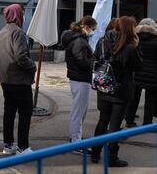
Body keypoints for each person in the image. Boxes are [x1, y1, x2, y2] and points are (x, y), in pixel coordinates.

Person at [91, 16, 143, 167]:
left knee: (102, 121)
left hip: (104, 87)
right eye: (134, 27)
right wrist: (137, 46)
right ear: (128, 28)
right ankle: (112, 158)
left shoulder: (103, 41)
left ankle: (95, 153)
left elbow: (93, 61)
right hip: (121, 91)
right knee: (114, 125)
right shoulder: (129, 47)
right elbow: (139, 66)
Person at [0, 4, 36, 155]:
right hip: (19, 81)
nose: (24, 16)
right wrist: (32, 66)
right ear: (17, 14)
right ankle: (23, 147)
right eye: (22, 13)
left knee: (9, 113)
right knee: (25, 113)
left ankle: (8, 144)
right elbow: (20, 56)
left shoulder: (2, 31)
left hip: (6, 79)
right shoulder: (18, 32)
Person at [61, 16, 97, 151]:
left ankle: (76, 138)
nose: (93, 31)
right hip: (80, 78)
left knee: (80, 110)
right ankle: (76, 141)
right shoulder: (79, 41)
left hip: (78, 78)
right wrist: (95, 60)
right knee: (78, 111)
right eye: (93, 29)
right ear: (86, 27)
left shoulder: (77, 39)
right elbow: (82, 62)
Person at [125, 18, 157, 126]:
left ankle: (129, 120)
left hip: (136, 72)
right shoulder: (156, 40)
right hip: (152, 74)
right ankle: (147, 123)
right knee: (150, 100)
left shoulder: (134, 38)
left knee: (133, 99)